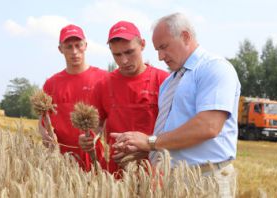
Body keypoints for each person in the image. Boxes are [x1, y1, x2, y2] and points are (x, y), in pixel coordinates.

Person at [111, 13, 240, 197]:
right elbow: (174, 131)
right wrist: (146, 149)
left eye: (164, 47)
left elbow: (208, 126)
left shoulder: (214, 68)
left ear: (185, 36)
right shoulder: (170, 82)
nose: (160, 56)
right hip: (173, 180)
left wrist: (150, 142)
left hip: (206, 180)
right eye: (157, 49)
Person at [78, 21, 169, 176]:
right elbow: (96, 125)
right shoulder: (103, 85)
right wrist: (87, 138)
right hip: (117, 173)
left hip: (158, 171)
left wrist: (148, 146)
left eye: (129, 52)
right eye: (117, 55)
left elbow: (178, 128)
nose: (124, 60)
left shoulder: (164, 80)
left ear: (142, 45)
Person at [40, 24, 108, 171]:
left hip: (95, 160)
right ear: (60, 49)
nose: (74, 51)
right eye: (69, 46)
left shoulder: (103, 79)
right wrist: (44, 135)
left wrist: (95, 136)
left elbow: (109, 117)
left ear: (86, 45)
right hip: (61, 162)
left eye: (78, 45)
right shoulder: (51, 84)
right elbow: (42, 120)